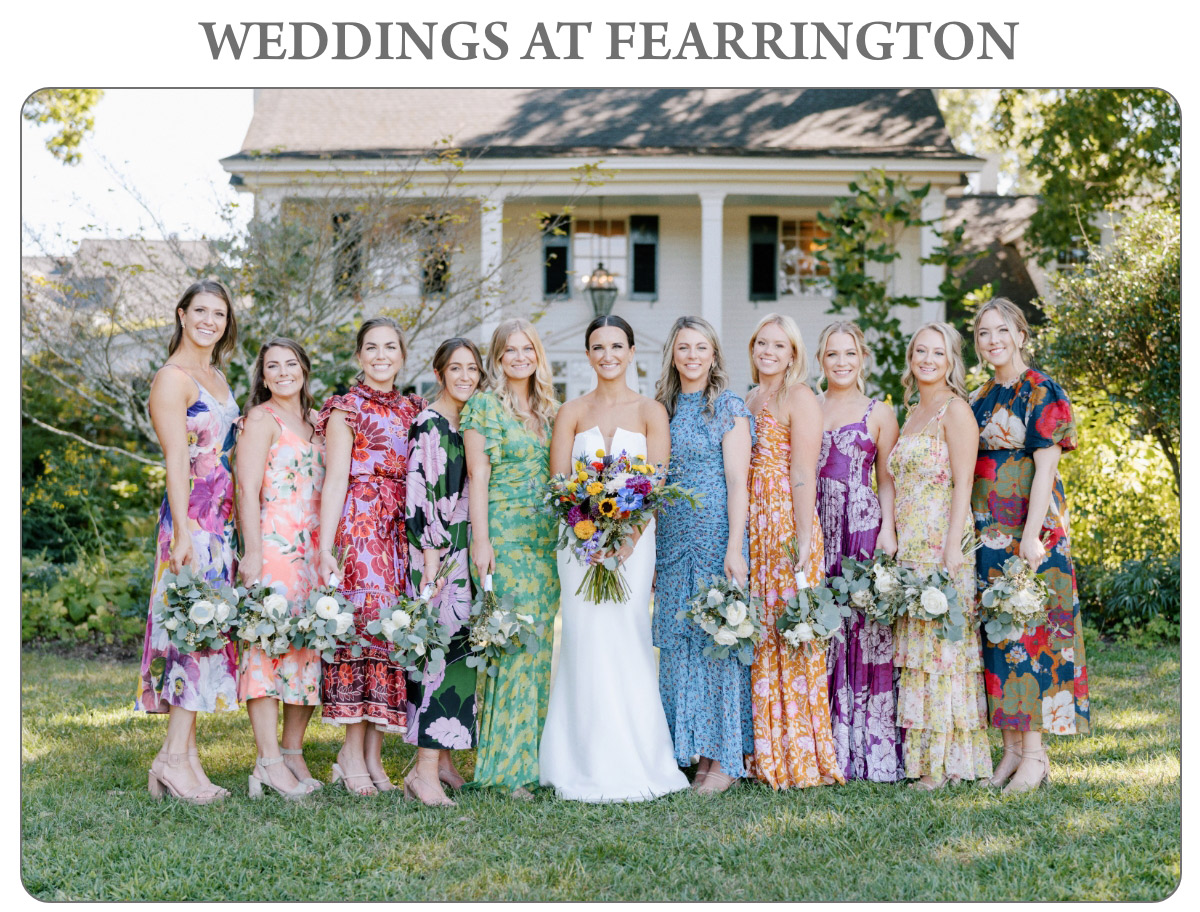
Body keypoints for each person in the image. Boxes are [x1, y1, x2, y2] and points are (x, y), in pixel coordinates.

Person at [539, 315, 690, 802]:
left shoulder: (651, 411)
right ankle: (576, 758)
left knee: (628, 638)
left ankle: (639, 757)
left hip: (634, 544)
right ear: (587, 354)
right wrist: (587, 535)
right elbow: (560, 484)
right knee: (584, 641)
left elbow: (658, 483)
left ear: (630, 352)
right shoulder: (571, 412)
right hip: (579, 545)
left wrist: (625, 540)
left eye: (617, 346)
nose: (608, 355)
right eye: (598, 347)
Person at [970, 297, 1090, 793]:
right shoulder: (980, 395)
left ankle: (1036, 758)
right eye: (983, 333)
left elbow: (1046, 468)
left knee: (1030, 638)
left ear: (1020, 333)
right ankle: (1011, 752)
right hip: (986, 532)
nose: (992, 340)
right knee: (999, 636)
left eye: (1001, 330)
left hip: (1029, 530)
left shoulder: (1040, 389)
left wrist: (1029, 537)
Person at [136, 279, 240, 804]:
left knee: (209, 631)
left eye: (219, 314)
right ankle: (173, 759)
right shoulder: (171, 379)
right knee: (192, 633)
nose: (210, 321)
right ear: (181, 314)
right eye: (201, 311)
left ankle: (187, 758)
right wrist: (182, 530)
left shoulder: (217, 376)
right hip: (192, 520)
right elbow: (176, 458)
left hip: (221, 522)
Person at [316, 317, 425, 797]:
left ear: (402, 355)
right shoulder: (346, 408)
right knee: (363, 633)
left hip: (401, 527)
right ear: (359, 356)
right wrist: (327, 547)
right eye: (371, 348)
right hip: (360, 527)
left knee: (392, 636)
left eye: (390, 348)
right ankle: (349, 753)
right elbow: (335, 478)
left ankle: (373, 755)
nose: (381, 356)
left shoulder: (414, 408)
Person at [652, 315, 754, 794]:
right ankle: (692, 751)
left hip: (715, 536)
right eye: (683, 348)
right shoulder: (662, 408)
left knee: (717, 644)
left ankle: (725, 760)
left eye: (701, 348)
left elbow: (738, 481)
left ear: (714, 355)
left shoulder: (728, 407)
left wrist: (735, 547)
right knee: (678, 647)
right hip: (671, 539)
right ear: (673, 354)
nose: (692, 356)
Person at [888, 322, 992, 789]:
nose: (927, 359)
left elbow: (964, 484)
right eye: (920, 351)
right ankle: (922, 761)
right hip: (909, 542)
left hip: (942, 540)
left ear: (951, 361)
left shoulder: (956, 411)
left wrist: (953, 546)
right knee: (918, 654)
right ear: (911, 357)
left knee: (944, 653)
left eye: (938, 353)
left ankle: (948, 763)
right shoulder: (910, 411)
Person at [461, 319, 560, 799]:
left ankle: (533, 757)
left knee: (538, 649)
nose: (520, 357)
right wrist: (482, 542)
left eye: (528, 349)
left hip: (546, 545)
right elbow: (477, 477)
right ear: (497, 358)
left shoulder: (549, 411)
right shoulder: (484, 407)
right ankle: (505, 767)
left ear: (538, 355)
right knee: (513, 647)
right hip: (505, 536)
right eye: (510, 351)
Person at [743, 313, 843, 790]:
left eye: (779, 346)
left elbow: (803, 470)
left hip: (784, 523)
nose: (769, 351)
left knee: (791, 634)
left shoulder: (799, 397)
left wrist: (804, 538)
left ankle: (800, 754)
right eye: (762, 343)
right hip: (752, 527)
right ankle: (765, 752)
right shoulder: (747, 398)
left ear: (793, 354)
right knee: (761, 634)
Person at [235, 339, 324, 800]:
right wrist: (251, 553)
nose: (284, 371)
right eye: (273, 366)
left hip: (311, 555)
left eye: (291, 363)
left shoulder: (318, 423)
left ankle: (292, 753)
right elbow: (246, 490)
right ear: (264, 377)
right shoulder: (260, 419)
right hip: (273, 548)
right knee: (268, 650)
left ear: (305, 370)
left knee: (306, 649)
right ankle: (268, 762)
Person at [814, 322, 902, 783]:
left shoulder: (880, 411)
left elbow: (888, 479)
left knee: (863, 626)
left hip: (861, 525)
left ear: (862, 358)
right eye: (832, 354)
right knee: (822, 626)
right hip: (816, 525)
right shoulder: (809, 404)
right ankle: (823, 741)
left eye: (849, 353)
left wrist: (888, 529)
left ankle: (866, 745)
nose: (842, 362)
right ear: (820, 360)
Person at [402, 337, 486, 807]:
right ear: (439, 373)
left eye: (472, 369)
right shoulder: (429, 424)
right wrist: (433, 570)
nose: (465, 376)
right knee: (438, 659)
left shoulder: (465, 421)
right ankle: (423, 774)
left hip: (462, 552)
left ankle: (446, 760)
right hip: (439, 556)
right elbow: (422, 497)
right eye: (455, 369)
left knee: (459, 656)